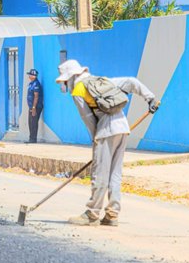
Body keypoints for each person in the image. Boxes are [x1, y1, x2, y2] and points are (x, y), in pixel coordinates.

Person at [56, 59, 158, 227]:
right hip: (122, 127)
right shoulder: (101, 80)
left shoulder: (79, 90)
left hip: (106, 130)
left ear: (72, 77)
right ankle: (112, 214)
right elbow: (131, 82)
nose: (66, 85)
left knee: (100, 174)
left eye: (65, 81)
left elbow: (88, 118)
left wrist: (96, 139)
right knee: (115, 174)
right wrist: (150, 98)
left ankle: (92, 213)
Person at [26, 68, 43, 143]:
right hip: (31, 107)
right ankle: (31, 138)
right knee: (30, 122)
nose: (29, 76)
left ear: (33, 76)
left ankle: (33, 139)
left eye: (30, 75)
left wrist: (34, 107)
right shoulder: (31, 83)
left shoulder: (36, 84)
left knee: (34, 123)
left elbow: (36, 96)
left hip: (36, 107)